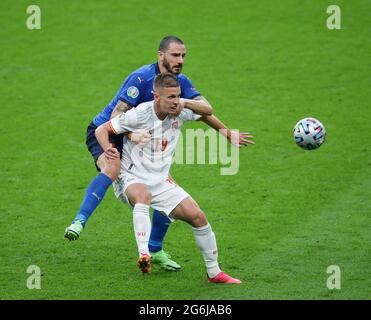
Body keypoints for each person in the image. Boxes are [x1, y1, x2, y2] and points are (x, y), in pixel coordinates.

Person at [64, 36, 254, 271]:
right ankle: (79, 221)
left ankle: (154, 249)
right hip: (109, 130)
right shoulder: (141, 78)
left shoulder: (178, 83)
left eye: (184, 55)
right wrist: (131, 136)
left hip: (141, 136)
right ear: (160, 55)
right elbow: (117, 114)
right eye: (175, 55)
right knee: (112, 168)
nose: (181, 60)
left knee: (164, 185)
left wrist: (226, 132)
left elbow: (205, 110)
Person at [95, 73, 241, 283]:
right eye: (170, 97)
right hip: (130, 175)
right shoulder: (139, 114)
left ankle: (214, 273)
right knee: (143, 195)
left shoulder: (180, 110)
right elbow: (102, 129)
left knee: (197, 216)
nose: (175, 102)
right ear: (156, 97)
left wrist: (227, 133)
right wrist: (109, 150)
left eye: (177, 96)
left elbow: (207, 113)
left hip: (160, 180)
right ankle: (144, 254)